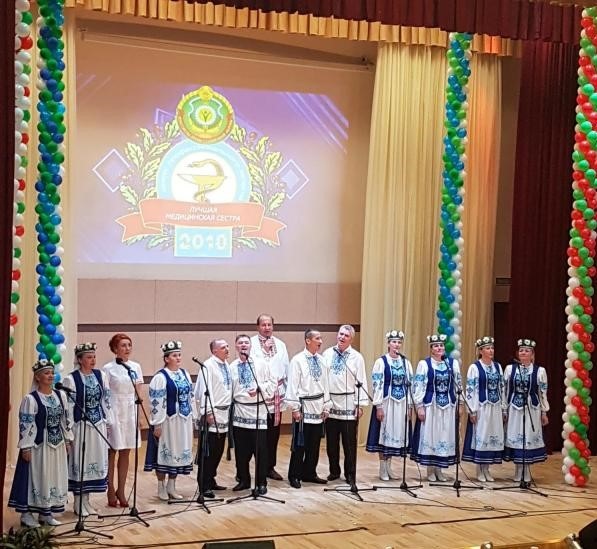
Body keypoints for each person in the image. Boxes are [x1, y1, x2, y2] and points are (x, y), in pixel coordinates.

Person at [8, 359, 73, 527]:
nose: (51, 376)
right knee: (36, 477)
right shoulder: (31, 399)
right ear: (37, 377)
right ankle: (26, 514)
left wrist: (67, 439)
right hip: (39, 446)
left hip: (57, 444)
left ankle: (46, 513)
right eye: (46, 373)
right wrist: (26, 447)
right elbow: (26, 424)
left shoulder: (60, 396)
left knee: (52, 477)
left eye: (52, 372)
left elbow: (65, 420)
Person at [63, 342, 113, 516]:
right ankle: (78, 502)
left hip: (97, 425)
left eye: (94, 357)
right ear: (79, 359)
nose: (93, 360)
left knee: (94, 460)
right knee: (81, 461)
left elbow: (106, 400)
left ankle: (86, 501)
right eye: (89, 357)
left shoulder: (101, 376)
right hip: (81, 427)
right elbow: (68, 408)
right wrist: (69, 432)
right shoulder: (71, 379)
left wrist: (108, 422)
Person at [144, 340, 196, 500]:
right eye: (174, 355)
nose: (178, 358)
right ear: (166, 358)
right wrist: (157, 424)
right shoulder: (160, 377)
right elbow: (156, 402)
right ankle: (161, 486)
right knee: (165, 451)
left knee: (178, 452)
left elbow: (190, 396)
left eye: (179, 355)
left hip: (183, 421)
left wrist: (193, 417)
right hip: (168, 421)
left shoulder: (185, 374)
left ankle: (171, 486)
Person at [229, 334, 276, 494]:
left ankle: (261, 482)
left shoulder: (261, 363)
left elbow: (273, 382)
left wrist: (259, 388)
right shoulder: (232, 367)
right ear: (236, 346)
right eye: (240, 343)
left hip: (257, 412)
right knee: (241, 451)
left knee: (261, 451)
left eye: (246, 343)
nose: (243, 345)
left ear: (251, 346)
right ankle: (244, 480)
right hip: (240, 412)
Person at [411, 334, 461, 481]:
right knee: (431, 435)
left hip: (448, 405)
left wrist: (460, 404)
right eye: (436, 346)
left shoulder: (452, 364)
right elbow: (418, 385)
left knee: (443, 435)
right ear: (431, 348)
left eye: (441, 345)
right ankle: (430, 469)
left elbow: (458, 384)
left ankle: (439, 469)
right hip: (431, 405)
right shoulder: (424, 364)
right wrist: (419, 406)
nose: (439, 348)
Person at [322, 325, 368, 485]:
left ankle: (350, 474)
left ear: (351, 339)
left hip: (348, 403)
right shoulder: (327, 353)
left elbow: (361, 381)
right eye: (340, 334)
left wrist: (360, 404)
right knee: (331, 442)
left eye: (346, 335)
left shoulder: (357, 357)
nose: (342, 337)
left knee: (349, 443)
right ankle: (334, 471)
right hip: (331, 403)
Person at [366, 330, 414, 481]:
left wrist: (410, 406)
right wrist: (378, 406)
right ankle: (382, 468)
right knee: (384, 434)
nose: (397, 345)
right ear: (388, 344)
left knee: (395, 434)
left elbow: (410, 385)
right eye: (394, 342)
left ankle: (389, 467)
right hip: (387, 402)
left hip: (401, 404)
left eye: (399, 342)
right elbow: (377, 384)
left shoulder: (405, 362)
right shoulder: (381, 362)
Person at [286, 329, 331, 489]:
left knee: (314, 445)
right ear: (308, 340)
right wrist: (295, 408)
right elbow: (292, 384)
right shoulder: (297, 360)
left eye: (321, 338)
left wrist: (326, 406)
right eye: (317, 338)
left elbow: (326, 384)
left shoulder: (322, 360)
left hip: (318, 406)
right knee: (300, 445)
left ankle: (309, 473)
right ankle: (294, 475)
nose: (320, 341)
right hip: (304, 407)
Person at [103, 333, 143, 507]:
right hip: (114, 410)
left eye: (129, 345)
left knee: (126, 451)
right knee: (112, 451)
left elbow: (139, 392)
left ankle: (121, 489)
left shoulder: (135, 367)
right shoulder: (108, 368)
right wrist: (107, 417)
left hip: (130, 410)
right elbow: (105, 394)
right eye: (123, 345)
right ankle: (110, 489)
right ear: (115, 349)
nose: (127, 348)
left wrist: (139, 415)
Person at [503, 338, 549, 482]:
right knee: (515, 437)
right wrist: (504, 409)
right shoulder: (510, 369)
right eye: (521, 350)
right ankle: (518, 470)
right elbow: (505, 390)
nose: (523, 353)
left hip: (531, 409)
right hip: (514, 409)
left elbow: (542, 393)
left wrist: (544, 412)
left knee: (528, 437)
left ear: (532, 354)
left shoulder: (540, 371)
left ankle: (526, 470)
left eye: (527, 351)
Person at [250, 314, 290, 482]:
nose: (267, 328)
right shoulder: (251, 343)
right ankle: (253, 468)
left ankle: (269, 467)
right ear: (258, 326)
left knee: (273, 434)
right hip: (260, 394)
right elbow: (253, 365)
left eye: (269, 325)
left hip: (276, 394)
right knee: (258, 434)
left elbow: (286, 368)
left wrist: (287, 391)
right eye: (263, 325)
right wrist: (265, 351)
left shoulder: (280, 344)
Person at [462, 336, 505, 482]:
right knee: (482, 434)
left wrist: (503, 408)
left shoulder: (498, 367)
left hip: (495, 406)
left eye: (492, 348)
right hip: (482, 407)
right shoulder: (475, 367)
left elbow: (502, 388)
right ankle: (479, 469)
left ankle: (487, 469)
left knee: (492, 435)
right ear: (481, 351)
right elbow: (470, 389)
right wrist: (472, 410)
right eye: (487, 348)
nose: (491, 351)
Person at [194, 338, 232, 498]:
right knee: (208, 452)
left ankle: (211, 479)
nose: (227, 349)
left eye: (227, 346)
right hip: (213, 413)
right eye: (223, 347)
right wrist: (208, 412)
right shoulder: (208, 366)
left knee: (218, 451)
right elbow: (204, 390)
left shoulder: (226, 365)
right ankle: (204, 485)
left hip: (224, 413)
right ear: (214, 350)